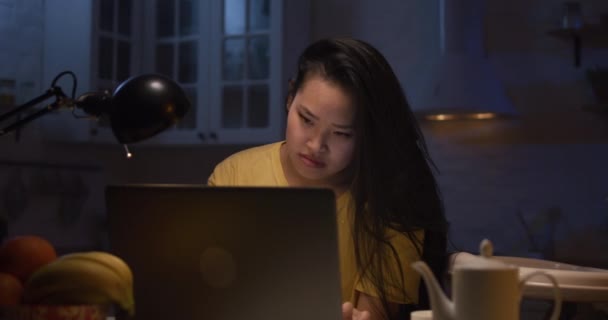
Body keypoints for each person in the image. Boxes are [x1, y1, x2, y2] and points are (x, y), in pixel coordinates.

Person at [207, 37, 449, 320]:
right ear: (289, 99)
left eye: (341, 133)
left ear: (366, 136)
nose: (315, 145)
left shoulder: (391, 201)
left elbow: (373, 314)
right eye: (306, 119)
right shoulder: (234, 175)